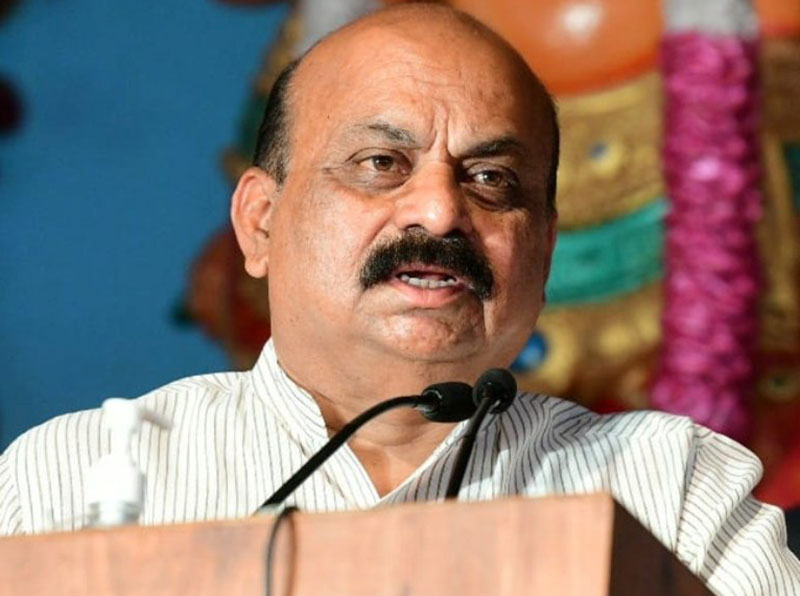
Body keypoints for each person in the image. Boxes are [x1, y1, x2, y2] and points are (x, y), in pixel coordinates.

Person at [0, 4, 797, 594]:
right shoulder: (68, 482)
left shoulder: (675, 490)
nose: (441, 211)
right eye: (382, 163)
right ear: (261, 222)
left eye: (492, 179)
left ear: (545, 251)